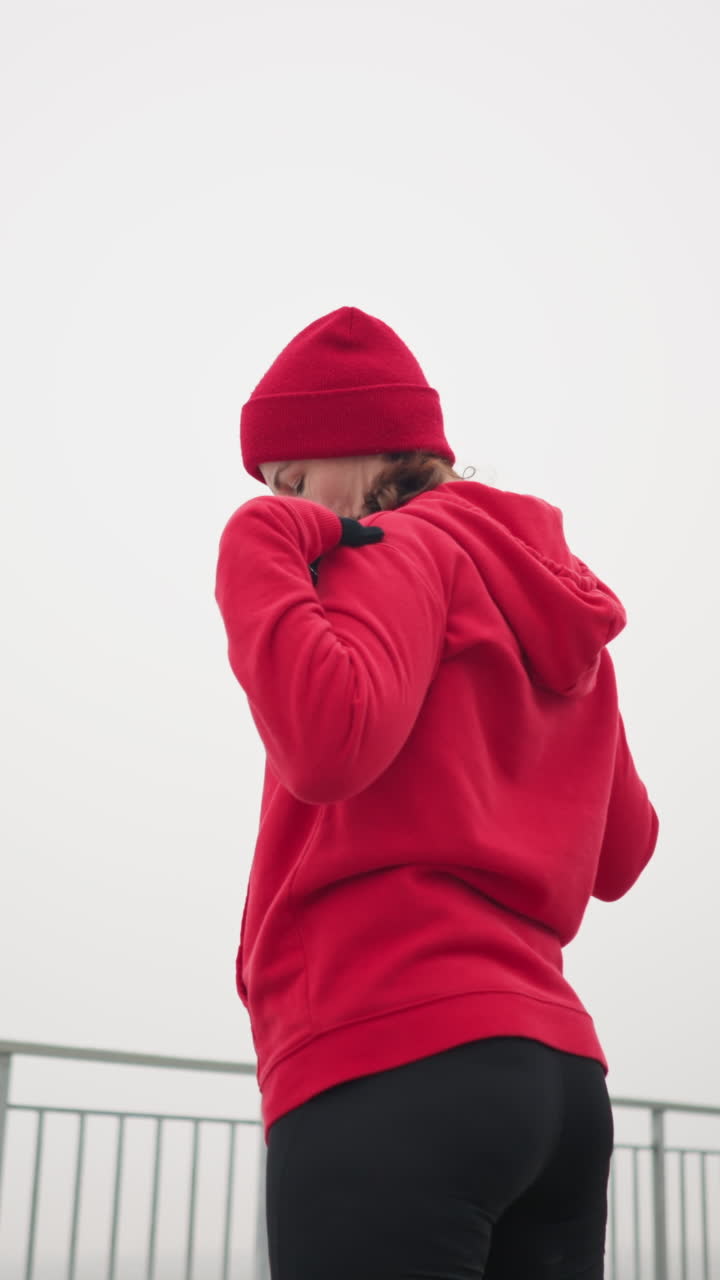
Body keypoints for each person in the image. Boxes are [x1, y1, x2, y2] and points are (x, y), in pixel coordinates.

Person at [214, 305, 659, 1280]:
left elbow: (329, 743)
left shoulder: (395, 551)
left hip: (390, 1053)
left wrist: (257, 544)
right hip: (556, 1082)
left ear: (373, 450)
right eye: (272, 492)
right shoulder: (549, 593)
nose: (289, 501)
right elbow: (622, 847)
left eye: (294, 478)